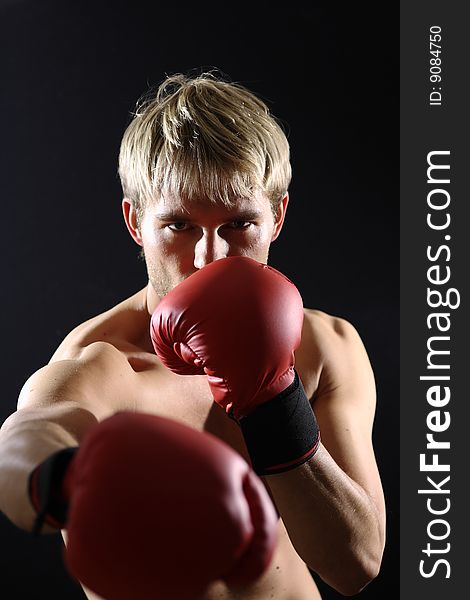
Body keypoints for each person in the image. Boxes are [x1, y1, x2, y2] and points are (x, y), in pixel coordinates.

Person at [0, 69, 386, 599]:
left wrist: (274, 402)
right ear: (137, 224)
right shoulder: (104, 364)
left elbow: (357, 564)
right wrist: (68, 478)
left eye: (239, 224)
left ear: (277, 216)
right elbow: (24, 439)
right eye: (179, 225)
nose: (211, 257)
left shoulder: (324, 345)